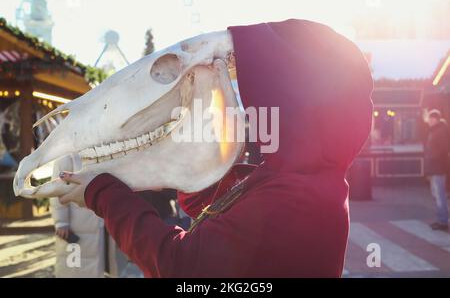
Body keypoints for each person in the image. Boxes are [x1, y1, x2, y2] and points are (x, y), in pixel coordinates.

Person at [56, 19, 373, 277]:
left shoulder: (295, 198)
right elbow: (210, 202)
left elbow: (179, 266)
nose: (250, 107)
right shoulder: (304, 177)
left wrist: (103, 193)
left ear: (293, 105)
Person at [50, 155, 143, 277]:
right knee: (75, 265)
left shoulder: (105, 151)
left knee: (105, 261)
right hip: (77, 222)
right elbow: (57, 190)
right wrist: (61, 221)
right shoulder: (67, 157)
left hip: (103, 218)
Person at [424, 109, 450, 231]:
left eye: (430, 118)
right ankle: (441, 219)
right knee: (437, 194)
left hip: (438, 167)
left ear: (435, 119)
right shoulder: (435, 130)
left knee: (440, 195)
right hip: (435, 167)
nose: (428, 121)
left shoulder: (440, 131)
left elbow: (443, 149)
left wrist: (433, 156)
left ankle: (443, 221)